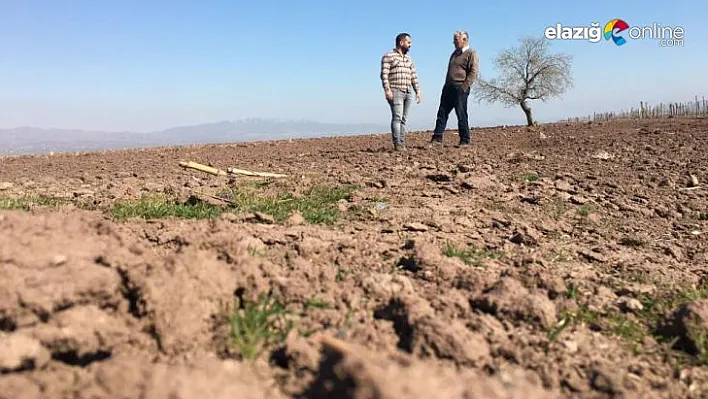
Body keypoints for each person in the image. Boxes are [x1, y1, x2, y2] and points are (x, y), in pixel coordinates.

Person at [430, 30, 479, 147]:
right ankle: (437, 138)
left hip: (460, 88)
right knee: (442, 113)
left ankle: (465, 140)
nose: (454, 42)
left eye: (456, 40)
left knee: (461, 114)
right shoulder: (454, 54)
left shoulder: (471, 53)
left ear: (464, 40)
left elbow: (473, 72)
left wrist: (464, 87)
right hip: (448, 88)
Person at [380, 32, 422, 151]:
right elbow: (384, 75)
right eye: (409, 42)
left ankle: (402, 143)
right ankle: (397, 143)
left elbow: (413, 75)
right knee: (397, 117)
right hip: (395, 90)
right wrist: (387, 90)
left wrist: (417, 90)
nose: (410, 45)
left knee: (403, 118)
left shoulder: (409, 59)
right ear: (401, 42)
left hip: (408, 91)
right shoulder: (388, 56)